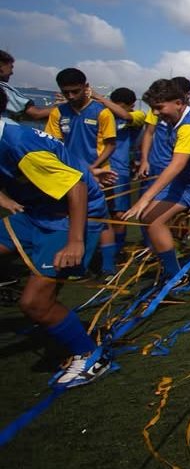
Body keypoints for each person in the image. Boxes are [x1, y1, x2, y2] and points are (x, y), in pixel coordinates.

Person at [0, 87, 111, 387]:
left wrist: (75, 241)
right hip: (38, 211)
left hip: (70, 218)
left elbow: (75, 186)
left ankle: (90, 355)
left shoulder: (17, 143)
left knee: (34, 303)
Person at [122, 79, 190, 287]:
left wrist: (144, 198)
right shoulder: (176, 119)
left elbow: (177, 164)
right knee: (150, 219)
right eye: (154, 108)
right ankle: (175, 275)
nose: (157, 112)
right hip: (184, 183)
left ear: (179, 102)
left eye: (160, 107)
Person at [44, 68, 118, 278]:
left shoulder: (102, 112)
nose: (70, 96)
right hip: (68, 176)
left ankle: (108, 266)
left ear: (86, 87)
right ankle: (75, 261)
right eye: (66, 92)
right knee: (71, 217)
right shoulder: (58, 113)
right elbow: (54, 143)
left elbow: (110, 145)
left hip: (98, 173)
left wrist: (92, 168)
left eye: (75, 91)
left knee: (100, 219)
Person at [92, 87, 148, 274]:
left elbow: (126, 116)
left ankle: (116, 252)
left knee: (118, 213)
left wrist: (100, 98)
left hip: (119, 169)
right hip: (98, 167)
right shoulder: (101, 114)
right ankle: (100, 252)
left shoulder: (137, 115)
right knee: (98, 211)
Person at [0, 50, 53, 123]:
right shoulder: (4, 89)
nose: (12, 72)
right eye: (11, 67)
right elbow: (36, 113)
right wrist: (65, 107)